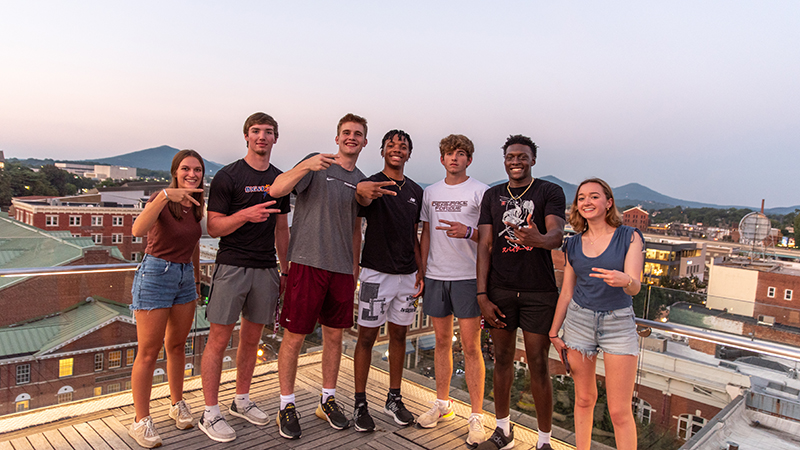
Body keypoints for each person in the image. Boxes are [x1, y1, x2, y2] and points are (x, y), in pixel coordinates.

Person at [269, 113, 368, 440]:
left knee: (335, 338)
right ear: (337, 138)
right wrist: (305, 166)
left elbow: (357, 229)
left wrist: (354, 269)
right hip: (307, 262)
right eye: (346, 133)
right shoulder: (318, 164)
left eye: (357, 134)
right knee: (294, 336)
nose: (351, 137)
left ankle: (327, 400)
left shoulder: (362, 181)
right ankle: (286, 404)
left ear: (364, 142)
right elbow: (276, 189)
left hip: (341, 269)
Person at [198, 112, 290, 443]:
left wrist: (286, 268)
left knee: (252, 339)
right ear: (246, 137)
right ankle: (210, 412)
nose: (262, 137)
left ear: (276, 139)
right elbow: (213, 227)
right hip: (232, 265)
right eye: (256, 131)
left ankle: (241, 400)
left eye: (268, 132)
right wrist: (245, 215)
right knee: (219, 339)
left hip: (266, 269)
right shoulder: (228, 176)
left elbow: (282, 227)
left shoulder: (281, 180)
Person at [476, 135, 566, 450]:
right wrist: (481, 295)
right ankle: (503, 431)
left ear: (533, 160)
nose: (516, 161)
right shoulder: (492, 195)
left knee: (538, 364)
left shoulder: (549, 191)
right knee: (501, 360)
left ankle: (544, 442)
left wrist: (539, 238)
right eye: (511, 156)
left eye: (522, 157)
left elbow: (556, 234)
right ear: (504, 160)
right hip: (499, 290)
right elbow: (485, 246)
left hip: (539, 292)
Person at [549, 178, 643, 450]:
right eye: (581, 198)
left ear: (608, 202)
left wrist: (624, 280)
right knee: (583, 399)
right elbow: (566, 292)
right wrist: (554, 332)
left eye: (594, 196)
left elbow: (635, 287)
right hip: (579, 322)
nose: (587, 202)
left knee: (619, 411)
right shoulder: (573, 243)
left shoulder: (629, 236)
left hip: (618, 323)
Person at [128, 149, 205, 448]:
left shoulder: (197, 204)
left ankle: (176, 403)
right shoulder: (161, 201)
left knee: (176, 345)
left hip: (185, 277)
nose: (192, 174)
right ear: (175, 172)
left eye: (197, 169)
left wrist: (196, 281)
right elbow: (137, 229)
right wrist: (163, 196)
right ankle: (141, 420)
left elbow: (194, 243)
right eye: (185, 169)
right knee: (148, 351)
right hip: (156, 275)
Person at [417, 134, 489, 448]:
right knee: (442, 342)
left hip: (468, 278)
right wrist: (421, 271)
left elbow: (489, 237)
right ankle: (442, 404)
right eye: (449, 154)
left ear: (469, 160)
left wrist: (468, 232)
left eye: (460, 154)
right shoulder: (430, 193)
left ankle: (476, 416)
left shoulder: (480, 191)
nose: (454, 158)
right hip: (435, 275)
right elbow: (425, 235)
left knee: (472, 347)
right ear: (442, 159)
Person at [351, 129, 423, 432]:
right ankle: (359, 403)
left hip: (407, 276)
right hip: (375, 273)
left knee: (399, 337)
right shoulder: (370, 183)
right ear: (382, 151)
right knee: (366, 337)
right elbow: (359, 206)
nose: (397, 149)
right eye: (392, 145)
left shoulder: (417, 191)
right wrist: (362, 192)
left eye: (403, 146)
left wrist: (421, 271)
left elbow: (415, 235)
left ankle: (394, 398)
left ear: (409, 153)